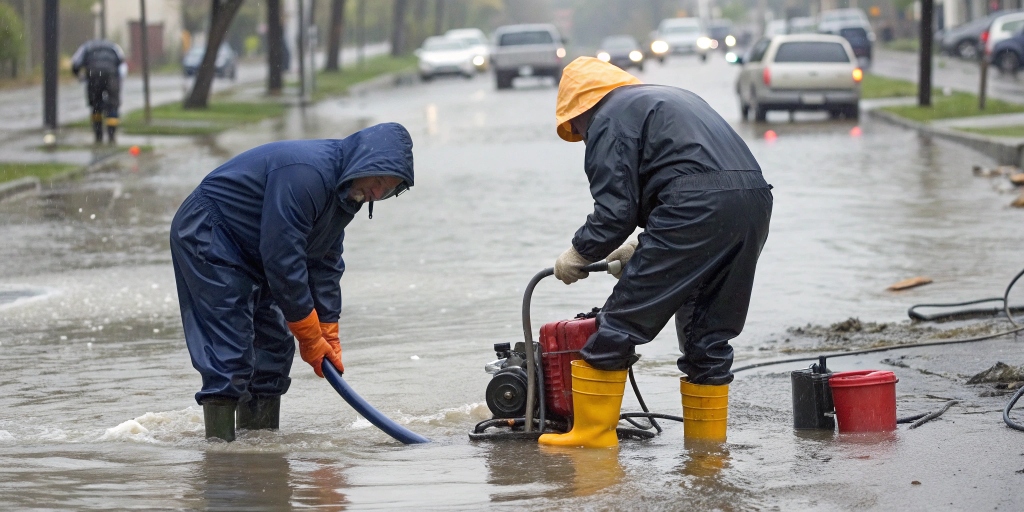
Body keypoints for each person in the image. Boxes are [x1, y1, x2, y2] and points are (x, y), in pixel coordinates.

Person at [538, 57, 773, 448]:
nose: (580, 136)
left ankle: (592, 438)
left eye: (576, 128)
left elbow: (616, 211)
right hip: (753, 202)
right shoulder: (667, 99)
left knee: (617, 324)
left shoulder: (607, 118)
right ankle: (707, 448)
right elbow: (691, 174)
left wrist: (578, 252)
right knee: (708, 335)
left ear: (581, 108)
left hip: (693, 209)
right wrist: (645, 246)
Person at [170, 123, 414, 441]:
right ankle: (222, 462)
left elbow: (324, 261)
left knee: (273, 348)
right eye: (378, 181)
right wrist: (309, 334)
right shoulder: (306, 174)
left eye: (389, 190)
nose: (378, 193)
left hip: (255, 250)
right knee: (231, 349)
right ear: (364, 164)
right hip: (212, 234)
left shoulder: (347, 193)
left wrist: (328, 328)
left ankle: (259, 450)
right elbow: (283, 258)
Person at [71, 39, 126, 144]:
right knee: (113, 105)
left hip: (94, 75)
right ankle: (111, 135)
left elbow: (75, 63)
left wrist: (80, 76)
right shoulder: (114, 47)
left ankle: (98, 135)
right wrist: (118, 80)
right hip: (111, 76)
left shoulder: (87, 47)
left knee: (96, 105)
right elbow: (122, 66)